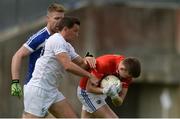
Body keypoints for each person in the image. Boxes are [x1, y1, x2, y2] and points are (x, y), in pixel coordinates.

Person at [23, 16, 99, 118]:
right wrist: (90, 76)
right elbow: (67, 65)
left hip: (52, 91)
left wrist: (88, 58)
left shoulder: (67, 46)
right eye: (75, 31)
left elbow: (81, 64)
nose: (77, 35)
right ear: (65, 29)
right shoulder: (56, 39)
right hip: (38, 89)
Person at [11, 3, 65, 97]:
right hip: (36, 87)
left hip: (50, 87)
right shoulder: (40, 37)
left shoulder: (60, 37)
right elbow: (18, 55)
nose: (60, 22)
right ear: (48, 18)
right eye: (56, 18)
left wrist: (88, 57)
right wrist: (15, 81)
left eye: (62, 19)